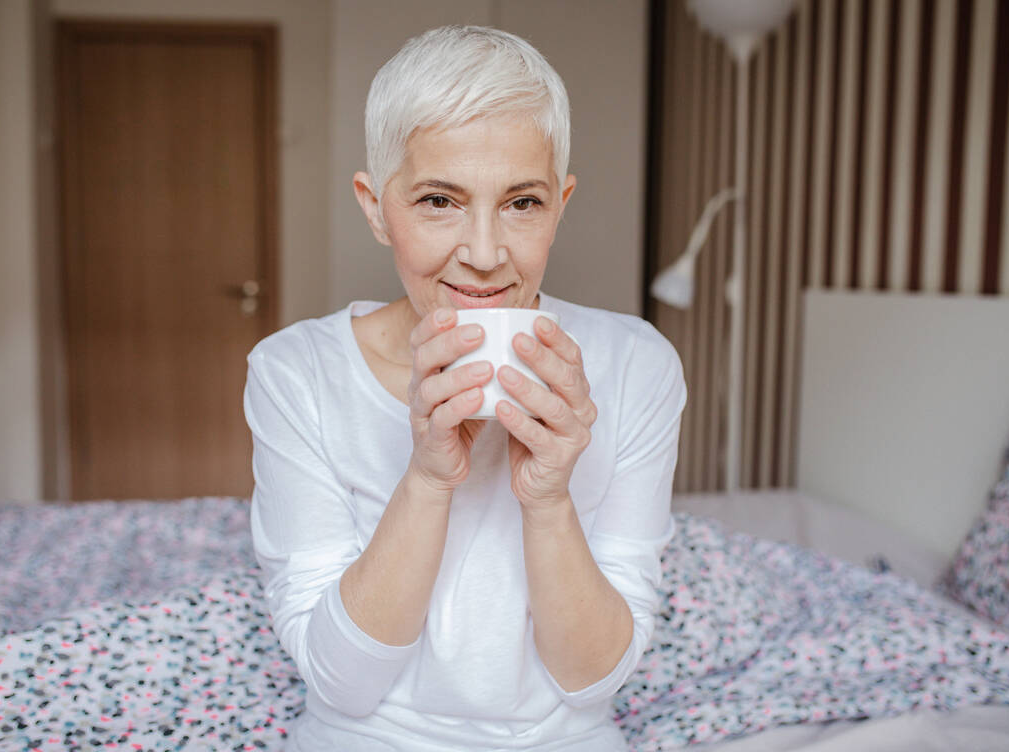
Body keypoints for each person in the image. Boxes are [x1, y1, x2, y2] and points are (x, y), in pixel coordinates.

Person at [246, 25, 686, 751]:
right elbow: (341, 685)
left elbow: (591, 683)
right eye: (438, 201)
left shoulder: (638, 365)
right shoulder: (296, 372)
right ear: (374, 207)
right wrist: (427, 479)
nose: (484, 255)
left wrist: (548, 500)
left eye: (522, 203)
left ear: (561, 204)